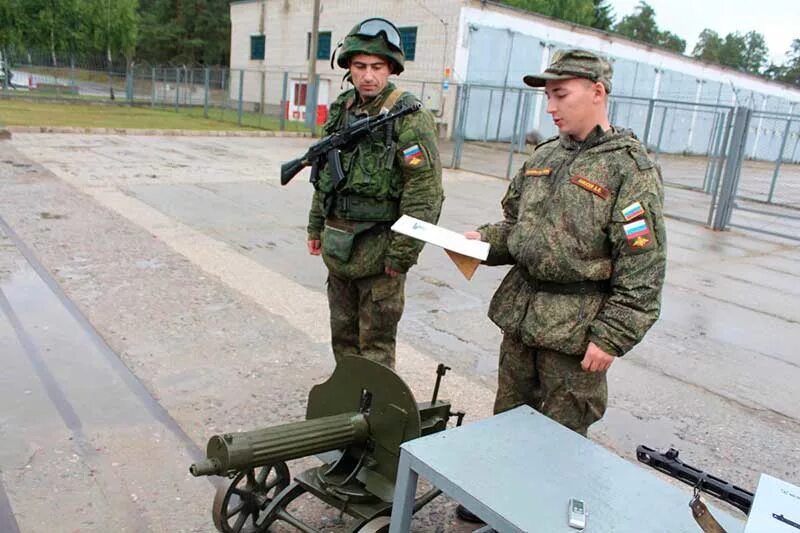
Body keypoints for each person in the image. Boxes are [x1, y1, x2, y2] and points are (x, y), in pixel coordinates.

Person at [457, 49, 666, 522]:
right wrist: (481, 242)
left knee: (561, 438)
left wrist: (612, 336)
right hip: (523, 317)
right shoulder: (545, 156)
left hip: (576, 333)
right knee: (508, 417)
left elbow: (644, 266)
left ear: (597, 92)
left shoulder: (629, 170)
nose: (551, 107)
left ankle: (543, 517)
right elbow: (516, 228)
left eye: (560, 94)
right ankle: (497, 501)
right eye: (547, 96)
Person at [307, 18, 444, 369]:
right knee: (343, 338)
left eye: (377, 67)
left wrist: (402, 254)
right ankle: (346, 398)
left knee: (376, 348)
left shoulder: (408, 116)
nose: (368, 76)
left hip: (380, 253)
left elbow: (424, 192)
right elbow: (324, 173)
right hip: (339, 249)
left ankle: (375, 404)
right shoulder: (342, 109)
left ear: (391, 69)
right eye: (360, 66)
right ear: (349, 68)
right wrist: (315, 225)